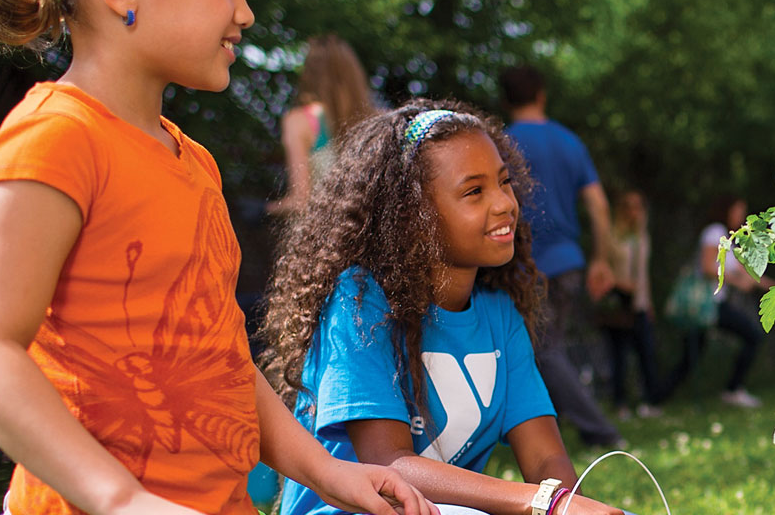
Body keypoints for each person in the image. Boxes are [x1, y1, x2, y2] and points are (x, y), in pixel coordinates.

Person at [0, 0, 429, 514]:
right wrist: (122, 500)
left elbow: (221, 361)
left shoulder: (195, 161)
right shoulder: (52, 141)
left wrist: (330, 472)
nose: (246, 12)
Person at [259, 102, 627, 515]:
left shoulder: (500, 315)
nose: (505, 203)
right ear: (413, 215)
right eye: (474, 191)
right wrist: (543, 503)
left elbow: (544, 459)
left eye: (504, 182)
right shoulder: (359, 302)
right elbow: (387, 463)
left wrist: (566, 505)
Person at [499, 65, 625, 448]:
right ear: (541, 95)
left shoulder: (502, 144)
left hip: (524, 264)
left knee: (543, 350)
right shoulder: (570, 142)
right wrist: (602, 259)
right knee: (542, 348)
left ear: (506, 100)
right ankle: (534, 433)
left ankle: (599, 430)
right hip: (568, 261)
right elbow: (599, 205)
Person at [668, 196, 771, 409]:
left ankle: (657, 399)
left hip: (713, 305)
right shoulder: (714, 232)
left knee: (690, 356)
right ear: (727, 209)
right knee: (752, 335)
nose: (741, 216)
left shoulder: (726, 238)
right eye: (739, 210)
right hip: (708, 305)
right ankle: (733, 389)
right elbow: (707, 267)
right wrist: (736, 282)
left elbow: (749, 275)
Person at [269, 34, 376, 215]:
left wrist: (264, 209)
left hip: (330, 235)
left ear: (309, 73)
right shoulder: (378, 120)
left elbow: (300, 201)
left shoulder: (300, 121)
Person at [600, 189, 668, 418]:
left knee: (646, 354)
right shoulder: (611, 237)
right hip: (619, 305)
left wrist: (648, 304)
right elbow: (602, 271)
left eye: (638, 206)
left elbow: (643, 275)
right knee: (619, 356)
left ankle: (650, 401)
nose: (633, 211)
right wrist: (620, 283)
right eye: (629, 206)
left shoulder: (642, 238)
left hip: (639, 305)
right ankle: (620, 403)